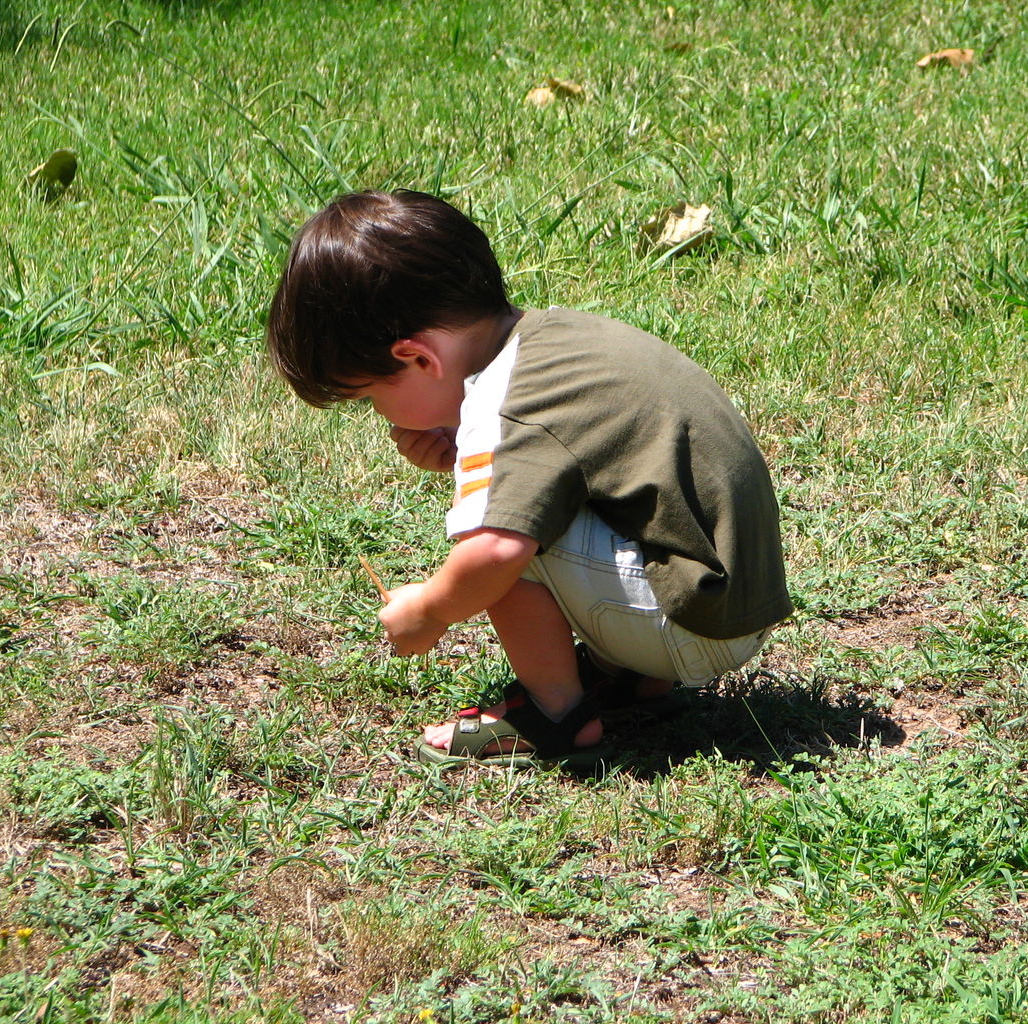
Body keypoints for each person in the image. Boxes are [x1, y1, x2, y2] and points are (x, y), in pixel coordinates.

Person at [266, 189, 792, 767]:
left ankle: (557, 715)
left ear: (418, 358)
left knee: (501, 532)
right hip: (733, 594)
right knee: (535, 501)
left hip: (695, 627)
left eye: (370, 396)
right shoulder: (549, 340)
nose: (378, 414)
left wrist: (430, 611)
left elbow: (495, 550)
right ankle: (634, 682)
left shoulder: (504, 403)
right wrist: (461, 446)